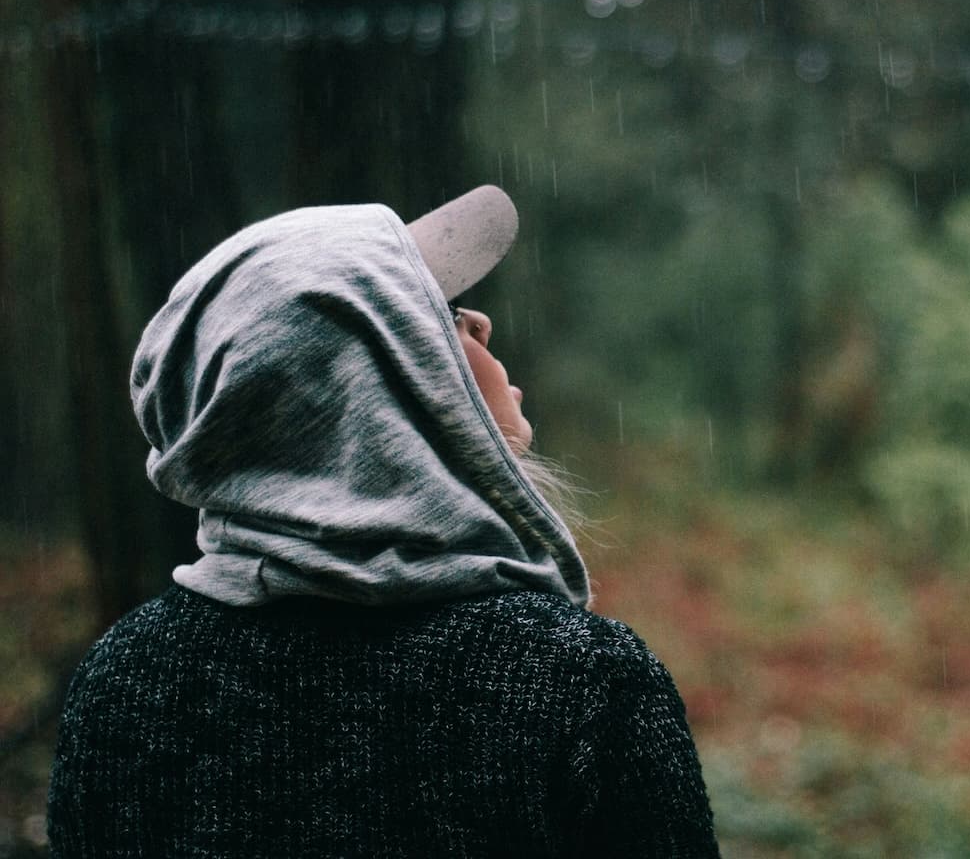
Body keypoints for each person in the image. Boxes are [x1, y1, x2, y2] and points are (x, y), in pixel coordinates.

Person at [47, 186, 720, 857]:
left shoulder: (125, 677)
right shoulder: (579, 681)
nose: (480, 324)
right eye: (441, 313)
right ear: (380, 389)